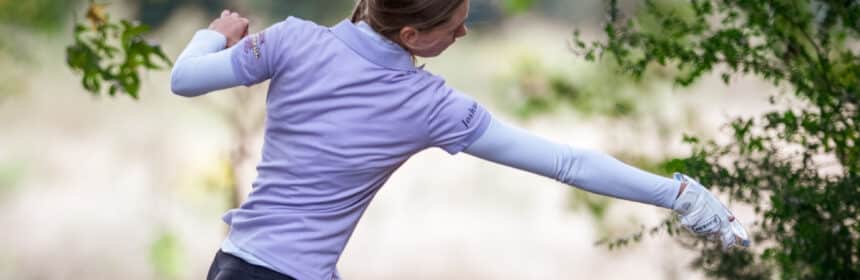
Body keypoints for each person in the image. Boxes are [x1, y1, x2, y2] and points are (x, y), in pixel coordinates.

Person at [170, 1, 750, 279]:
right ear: (411, 34)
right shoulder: (428, 105)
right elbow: (567, 164)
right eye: (454, 26)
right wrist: (677, 195)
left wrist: (214, 35)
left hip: (231, 267)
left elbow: (185, 78)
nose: (464, 31)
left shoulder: (292, 39)